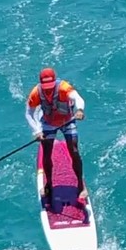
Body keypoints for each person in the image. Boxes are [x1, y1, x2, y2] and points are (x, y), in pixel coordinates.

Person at [26, 67, 86, 212]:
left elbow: (78, 98)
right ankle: (49, 185)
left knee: (74, 150)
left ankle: (80, 185)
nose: (47, 90)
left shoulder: (64, 87)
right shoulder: (36, 92)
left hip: (68, 120)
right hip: (48, 123)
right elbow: (29, 113)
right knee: (47, 153)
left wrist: (79, 110)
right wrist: (37, 131)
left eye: (50, 87)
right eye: (45, 87)